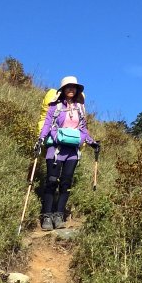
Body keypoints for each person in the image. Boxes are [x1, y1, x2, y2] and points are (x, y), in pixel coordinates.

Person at [35, 75, 98, 231]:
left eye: (74, 87)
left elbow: (83, 128)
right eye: (68, 86)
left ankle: (59, 214)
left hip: (72, 151)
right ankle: (47, 216)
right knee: (51, 181)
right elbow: (47, 125)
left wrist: (91, 142)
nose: (71, 89)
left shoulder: (80, 108)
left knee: (66, 182)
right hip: (55, 149)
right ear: (63, 90)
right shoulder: (54, 107)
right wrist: (40, 139)